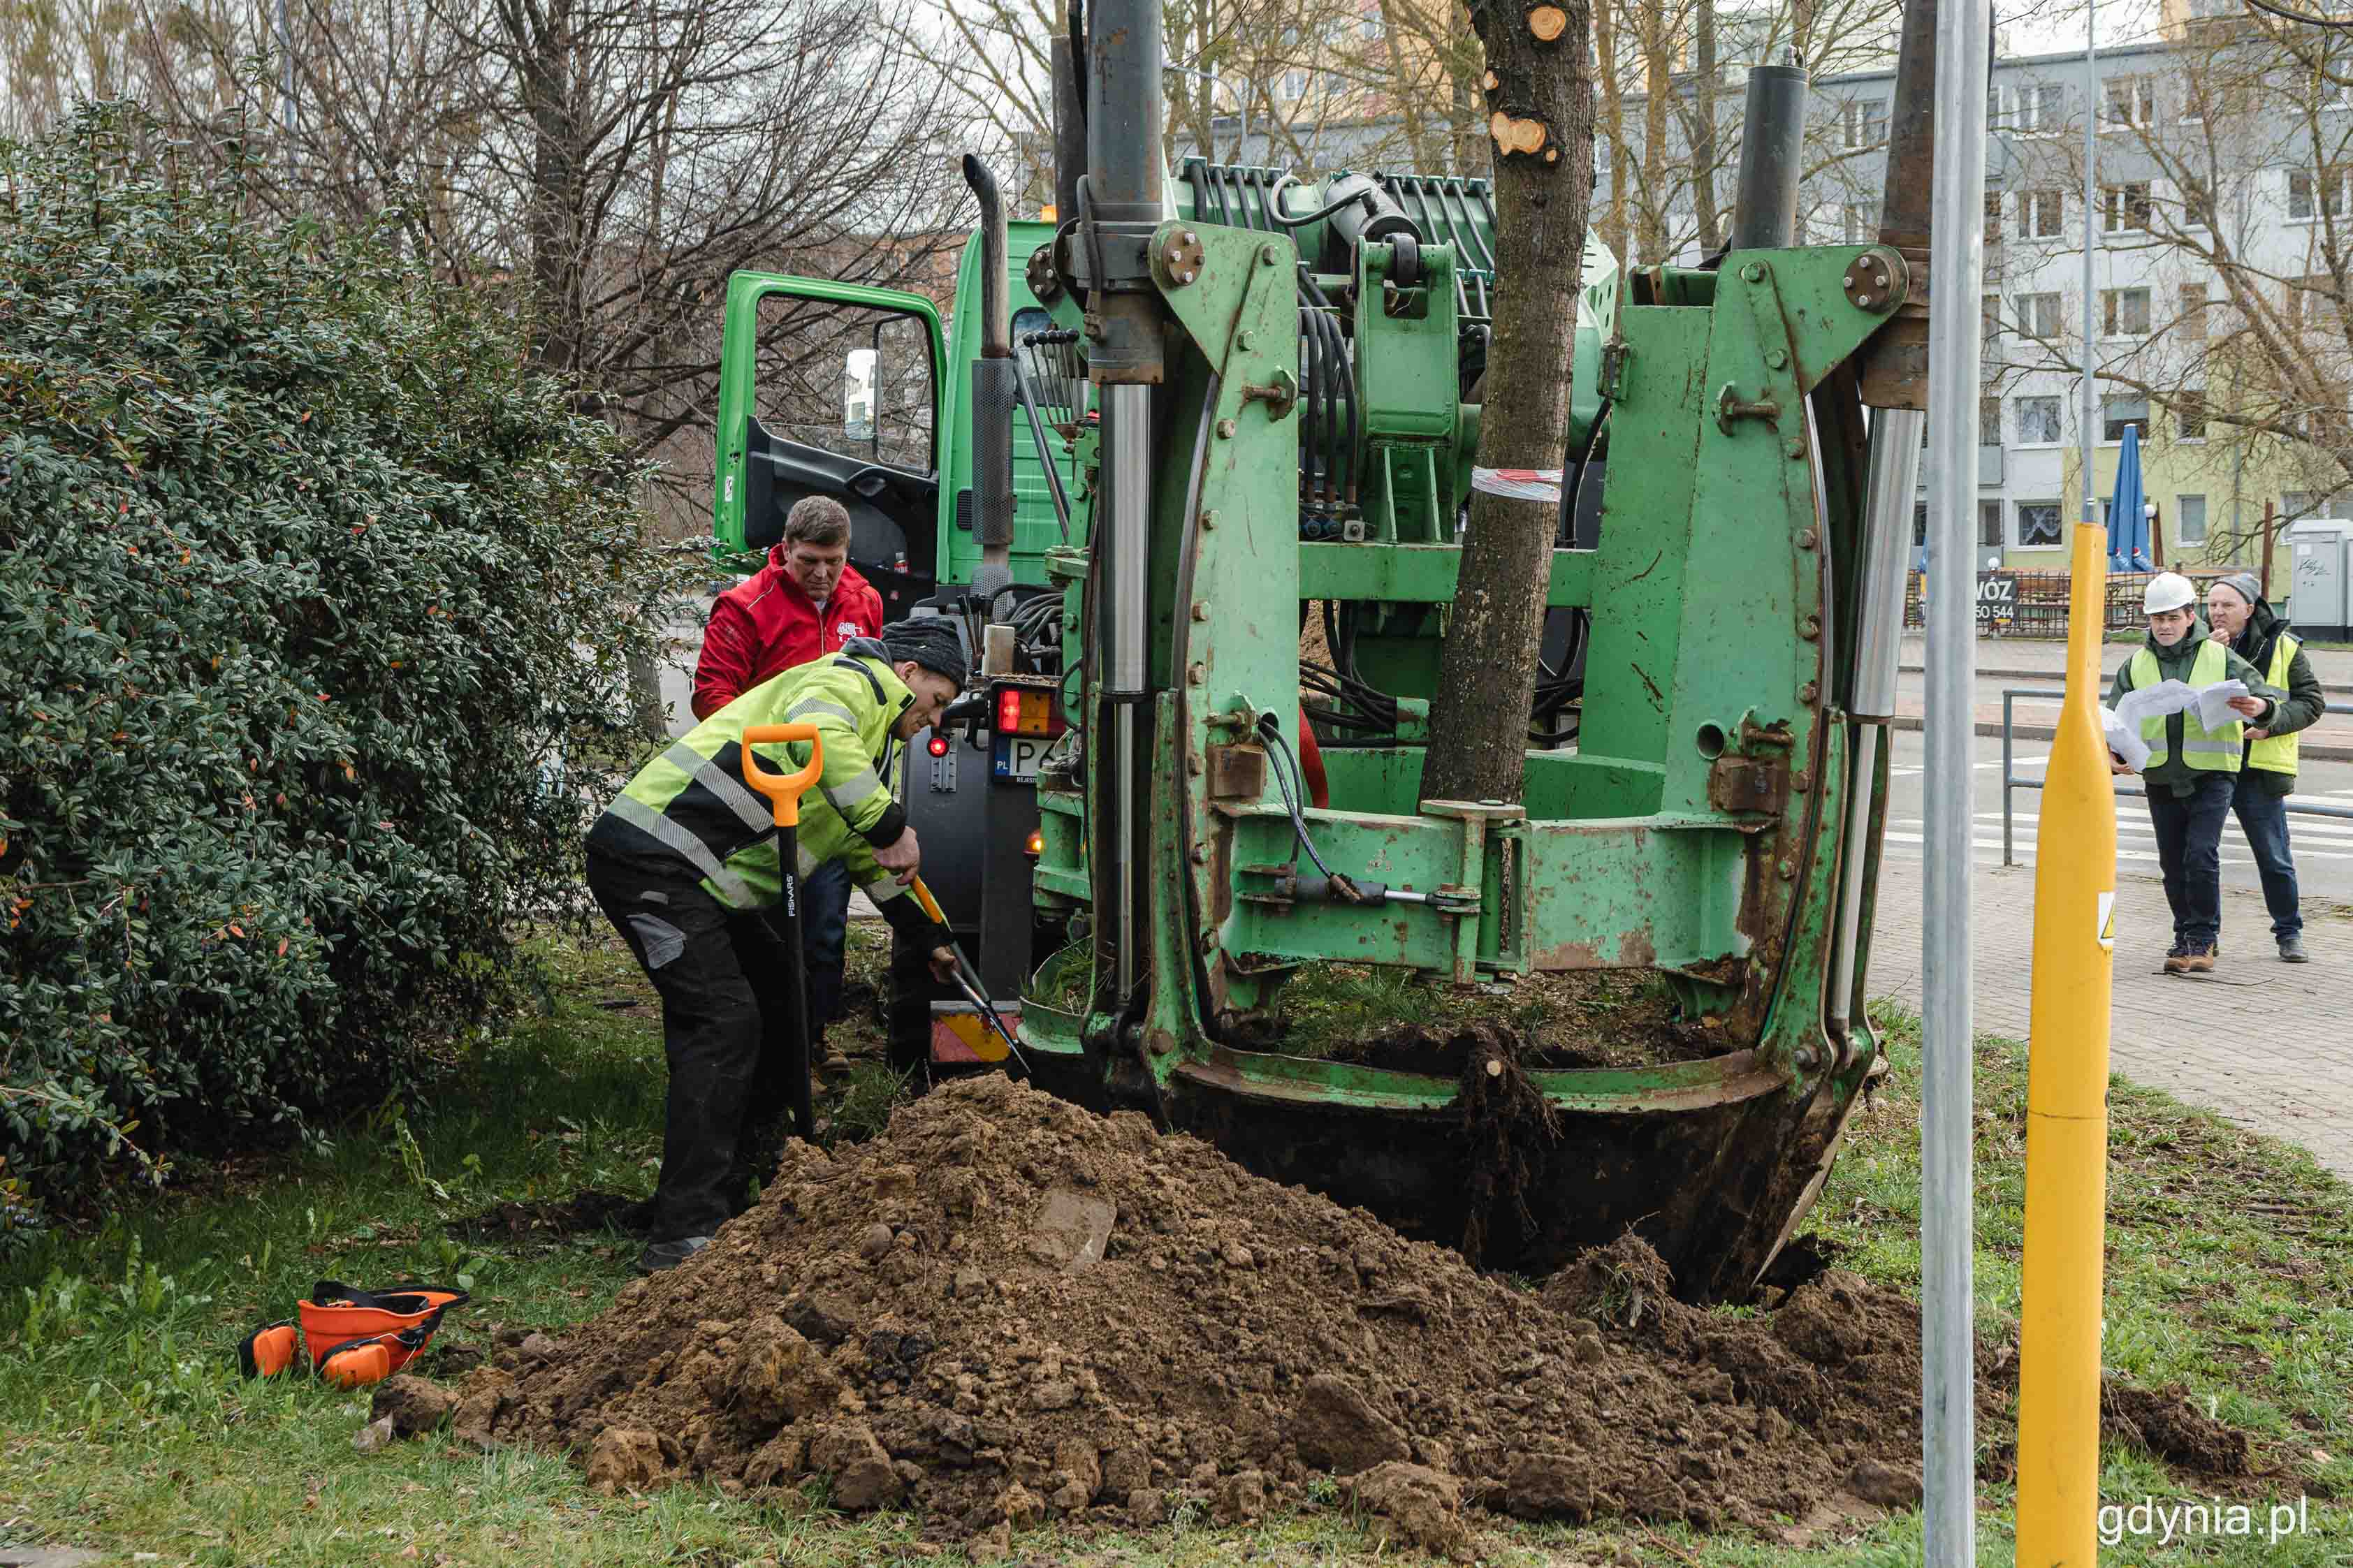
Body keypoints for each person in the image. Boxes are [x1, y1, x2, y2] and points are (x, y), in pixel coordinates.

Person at [588, 618, 967, 1272]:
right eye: (937, 702)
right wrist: (890, 820)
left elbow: (859, 845)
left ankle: (749, 1182)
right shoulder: (853, 682)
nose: (934, 722)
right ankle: (683, 1232)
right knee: (723, 1022)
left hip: (702, 881)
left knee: (785, 1003)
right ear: (908, 674)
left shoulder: (878, 740)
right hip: (654, 860)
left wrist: (924, 933)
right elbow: (822, 735)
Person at [693, 497, 890, 1068]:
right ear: (784, 551)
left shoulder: (865, 603)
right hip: (762, 798)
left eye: (834, 560)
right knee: (771, 929)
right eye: (809, 561)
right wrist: (768, 761)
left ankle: (813, 1042)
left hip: (827, 803)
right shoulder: (745, 607)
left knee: (825, 929)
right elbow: (713, 697)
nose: (822, 574)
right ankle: (765, 1045)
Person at [2107, 572, 2285, 975]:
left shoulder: (2218, 656)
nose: (2165, 626)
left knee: (2201, 854)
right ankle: (2183, 934)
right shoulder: (2136, 664)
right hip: (2161, 776)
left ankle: (2203, 937)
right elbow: (2114, 719)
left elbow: (2268, 698)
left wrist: (2261, 708)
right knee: (2172, 861)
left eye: (2172, 617)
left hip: (2212, 773)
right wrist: (2109, 750)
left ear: (2191, 616)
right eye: (2157, 619)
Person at [2205, 572, 2325, 962]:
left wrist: (2270, 724)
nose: (2218, 613)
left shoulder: (2285, 649)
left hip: (2258, 768)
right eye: (2212, 605)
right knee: (2201, 854)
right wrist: (2206, 655)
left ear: (2250, 609)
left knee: (2274, 856)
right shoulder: (2199, 645)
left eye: (2227, 605)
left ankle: (2289, 933)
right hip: (2208, 764)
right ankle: (2203, 936)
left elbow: (2311, 702)